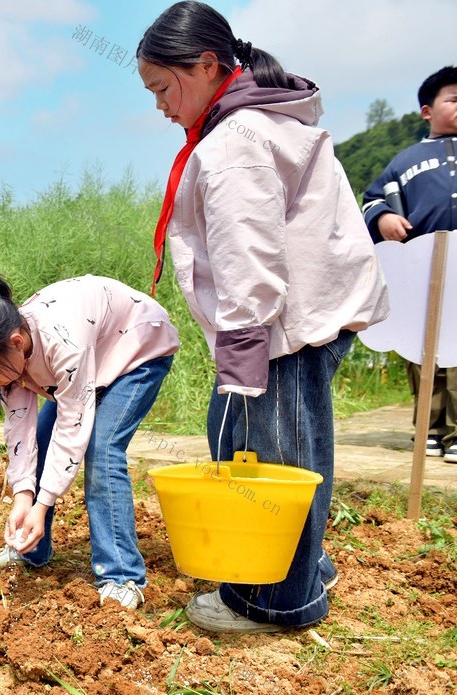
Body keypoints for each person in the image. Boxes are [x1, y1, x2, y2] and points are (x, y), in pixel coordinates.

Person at [135, 1, 389, 632]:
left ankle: (281, 603)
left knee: (280, 461)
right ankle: (301, 570)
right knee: (252, 445)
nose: (160, 106)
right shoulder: (257, 123)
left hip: (281, 328)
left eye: (164, 88)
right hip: (292, 320)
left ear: (207, 64)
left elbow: (249, 255)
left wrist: (242, 357)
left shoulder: (235, 143)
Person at [0, 275, 178, 609]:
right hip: (88, 360)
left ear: (18, 342)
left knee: (102, 448)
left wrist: (44, 502)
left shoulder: (61, 343)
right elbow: (20, 431)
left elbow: (72, 425)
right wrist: (23, 497)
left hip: (136, 348)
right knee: (40, 436)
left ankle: (121, 576)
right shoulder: (7, 351)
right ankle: (30, 547)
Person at [361, 66, 457, 463]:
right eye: (453, 100)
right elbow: (371, 199)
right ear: (426, 111)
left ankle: (456, 433)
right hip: (424, 272)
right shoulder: (405, 161)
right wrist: (383, 217)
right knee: (424, 352)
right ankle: (431, 429)